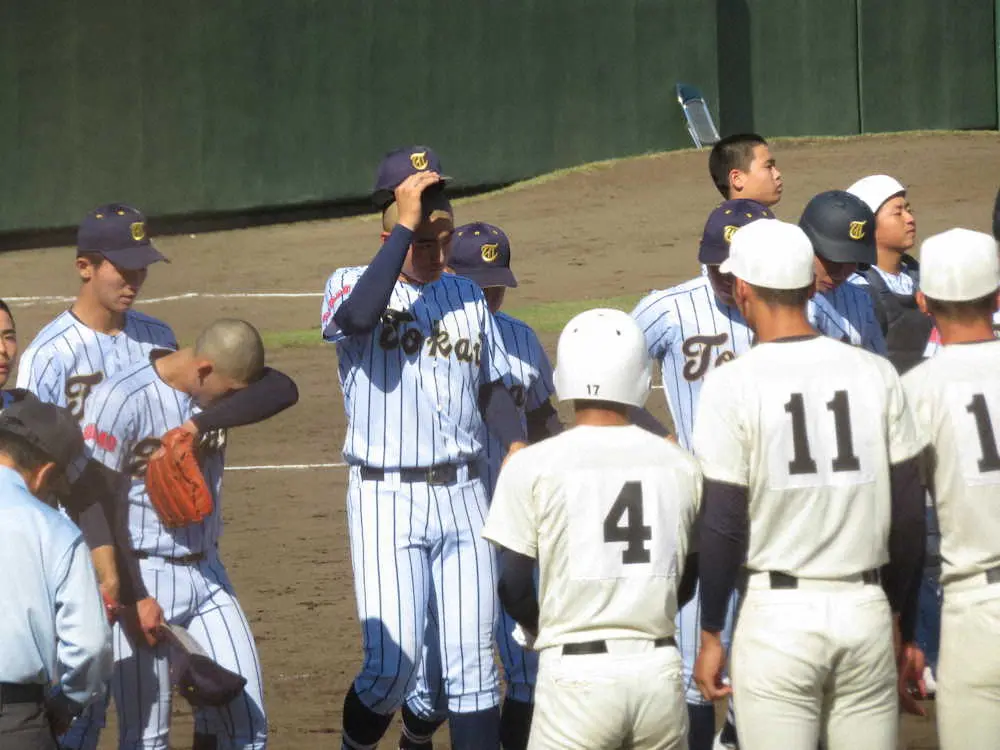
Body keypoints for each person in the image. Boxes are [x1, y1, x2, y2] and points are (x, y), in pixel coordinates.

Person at [691, 219, 927, 750]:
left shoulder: (733, 383)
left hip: (778, 619)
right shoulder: (875, 373)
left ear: (744, 289)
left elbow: (723, 521)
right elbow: (910, 515)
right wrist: (901, 621)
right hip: (864, 608)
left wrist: (710, 631)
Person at [321, 147, 526, 750]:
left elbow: (490, 384)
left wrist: (514, 442)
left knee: (471, 675)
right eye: (423, 239)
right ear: (391, 227)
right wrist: (405, 229)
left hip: (465, 497)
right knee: (390, 671)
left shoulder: (466, 295)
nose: (438, 251)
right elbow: (358, 319)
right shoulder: (347, 284)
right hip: (387, 500)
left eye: (445, 236)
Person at [482, 308, 702, 749]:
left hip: (576, 677)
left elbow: (514, 586)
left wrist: (546, 626)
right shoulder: (682, 465)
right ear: (640, 377)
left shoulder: (531, 465)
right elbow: (687, 579)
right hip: (657, 671)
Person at [76, 318, 297, 749]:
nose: (235, 405)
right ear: (204, 370)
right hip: (140, 572)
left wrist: (196, 426)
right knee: (148, 738)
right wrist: (133, 596)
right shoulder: (122, 400)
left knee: (247, 727)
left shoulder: (214, 391)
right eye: (230, 393)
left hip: (208, 575)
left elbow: (284, 390)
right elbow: (97, 507)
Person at [15, 204, 176, 750]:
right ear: (85, 266)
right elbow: (33, 471)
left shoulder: (160, 336)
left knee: (147, 721)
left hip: (152, 550)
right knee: (78, 717)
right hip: (77, 556)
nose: (134, 280)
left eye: (141, 267)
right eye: (121, 268)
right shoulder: (49, 356)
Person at [400, 221, 562, 750]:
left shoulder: (520, 339)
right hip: (445, 522)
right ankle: (414, 737)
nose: (490, 294)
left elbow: (543, 420)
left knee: (528, 671)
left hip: (514, 532)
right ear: (448, 270)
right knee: (435, 693)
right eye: (480, 281)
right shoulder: (419, 337)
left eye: (498, 284)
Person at [631, 198, 772, 750]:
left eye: (730, 268)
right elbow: (598, 376)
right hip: (698, 506)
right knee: (696, 651)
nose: (720, 277)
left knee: (762, 647)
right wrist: (662, 437)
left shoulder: (789, 307)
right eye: (714, 264)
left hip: (773, 502)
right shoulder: (670, 309)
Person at [901, 228, 1000, 748]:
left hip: (973, 610)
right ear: (999, 297)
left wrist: (902, 631)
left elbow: (902, 520)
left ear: (923, 301)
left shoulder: (916, 388)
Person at [0, 398, 112, 749]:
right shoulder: (55, 530)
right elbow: (91, 644)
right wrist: (68, 703)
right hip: (15, 722)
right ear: (46, 472)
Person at [846, 175, 931, 374]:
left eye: (908, 210)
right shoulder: (858, 287)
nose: (910, 219)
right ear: (868, 226)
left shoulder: (920, 277)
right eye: (898, 213)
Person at [798, 190, 887, 354]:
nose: (840, 273)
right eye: (832, 262)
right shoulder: (771, 296)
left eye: (851, 262)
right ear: (805, 245)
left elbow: (878, 366)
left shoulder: (861, 301)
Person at [707, 133, 783, 207]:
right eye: (768, 166)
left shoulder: (717, 218)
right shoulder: (760, 220)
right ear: (737, 179)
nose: (777, 174)